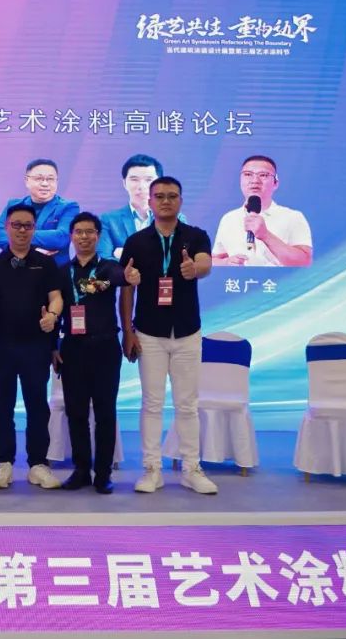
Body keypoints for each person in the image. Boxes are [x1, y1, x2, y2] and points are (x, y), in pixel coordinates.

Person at [119, 177, 218, 495]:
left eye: (172, 196)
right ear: (150, 202)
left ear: (180, 201)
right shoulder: (136, 241)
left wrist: (195, 269)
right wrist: (127, 331)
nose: (165, 201)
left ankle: (191, 469)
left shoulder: (195, 236)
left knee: (187, 404)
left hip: (187, 331)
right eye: (159, 196)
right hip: (149, 332)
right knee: (152, 403)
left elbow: (205, 263)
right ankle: (152, 469)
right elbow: (126, 288)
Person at [52, 212, 139, 494]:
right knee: (76, 412)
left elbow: (119, 278)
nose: (84, 237)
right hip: (72, 348)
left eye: (90, 232)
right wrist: (54, 346)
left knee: (104, 412)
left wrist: (128, 276)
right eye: (79, 232)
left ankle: (103, 473)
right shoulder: (62, 271)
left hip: (104, 347)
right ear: (71, 236)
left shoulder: (108, 267)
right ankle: (80, 470)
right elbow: (54, 309)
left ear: (98, 236)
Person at [0, 204, 64, 490]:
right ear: (6, 228)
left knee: (37, 406)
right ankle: (3, 462)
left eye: (27, 226)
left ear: (34, 229)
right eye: (16, 225)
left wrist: (52, 316)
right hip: (2, 345)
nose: (21, 231)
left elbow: (56, 297)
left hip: (36, 345)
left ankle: (38, 464)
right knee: (1, 407)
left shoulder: (46, 263)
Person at [213, 155, 313, 267]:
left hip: (279, 278)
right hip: (239, 279)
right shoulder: (229, 218)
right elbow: (214, 260)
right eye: (248, 174)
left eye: (263, 175)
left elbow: (305, 262)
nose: (255, 180)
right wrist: (226, 262)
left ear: (275, 183)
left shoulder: (293, 217)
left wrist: (265, 235)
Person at [0, 159, 79, 267]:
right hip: (19, 268)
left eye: (50, 179)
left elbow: (62, 237)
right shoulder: (14, 205)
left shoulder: (69, 207)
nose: (45, 184)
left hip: (54, 270)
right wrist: (32, 249)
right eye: (39, 178)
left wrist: (17, 237)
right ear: (27, 181)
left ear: (57, 181)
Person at [96, 154, 184, 261]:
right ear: (124, 183)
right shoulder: (108, 220)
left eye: (148, 180)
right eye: (134, 179)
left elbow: (178, 257)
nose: (141, 186)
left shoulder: (176, 218)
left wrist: (126, 254)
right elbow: (103, 260)